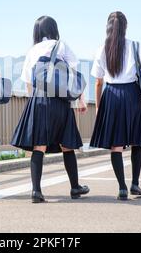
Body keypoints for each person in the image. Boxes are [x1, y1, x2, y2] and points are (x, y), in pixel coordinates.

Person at [11, 16, 90, 203]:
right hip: (60, 102)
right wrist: (80, 99)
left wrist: (33, 105)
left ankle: (36, 191)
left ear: (37, 32)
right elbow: (74, 76)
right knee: (67, 145)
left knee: (39, 146)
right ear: (54, 29)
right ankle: (75, 187)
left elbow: (29, 82)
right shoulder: (61, 46)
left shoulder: (32, 50)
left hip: (38, 101)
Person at [90, 11, 141, 201]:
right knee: (136, 141)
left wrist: (99, 107)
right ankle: (135, 183)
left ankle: (122, 188)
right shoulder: (136, 46)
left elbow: (98, 82)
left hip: (111, 96)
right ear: (125, 27)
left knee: (116, 145)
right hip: (132, 95)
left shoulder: (102, 49)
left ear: (108, 27)